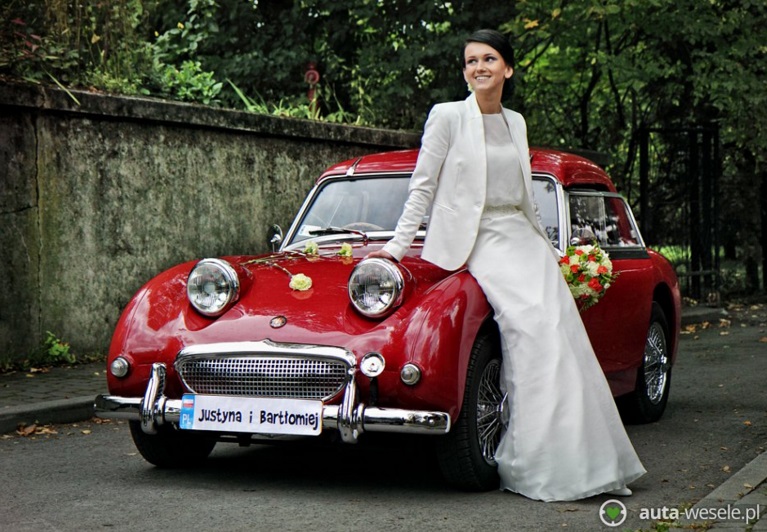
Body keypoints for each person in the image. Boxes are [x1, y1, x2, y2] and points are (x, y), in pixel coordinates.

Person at [365, 29, 646, 502]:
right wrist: (395, 247)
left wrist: (551, 247)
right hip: (479, 241)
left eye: (488, 59)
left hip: (524, 241)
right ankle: (536, 462)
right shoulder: (447, 117)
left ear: (507, 69)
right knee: (531, 332)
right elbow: (424, 186)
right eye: (471, 60)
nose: (478, 67)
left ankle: (585, 462)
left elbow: (522, 195)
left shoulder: (515, 122)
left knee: (561, 335)